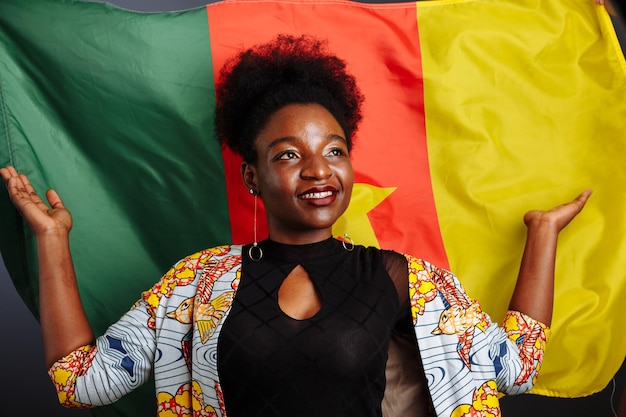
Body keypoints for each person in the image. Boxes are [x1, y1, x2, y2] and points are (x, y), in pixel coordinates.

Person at [1, 34, 591, 417]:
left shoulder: (404, 280)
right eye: (288, 154)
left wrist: (542, 234)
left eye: (334, 151)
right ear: (253, 178)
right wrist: (52, 240)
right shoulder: (198, 284)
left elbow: (515, 366)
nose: (318, 171)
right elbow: (81, 383)